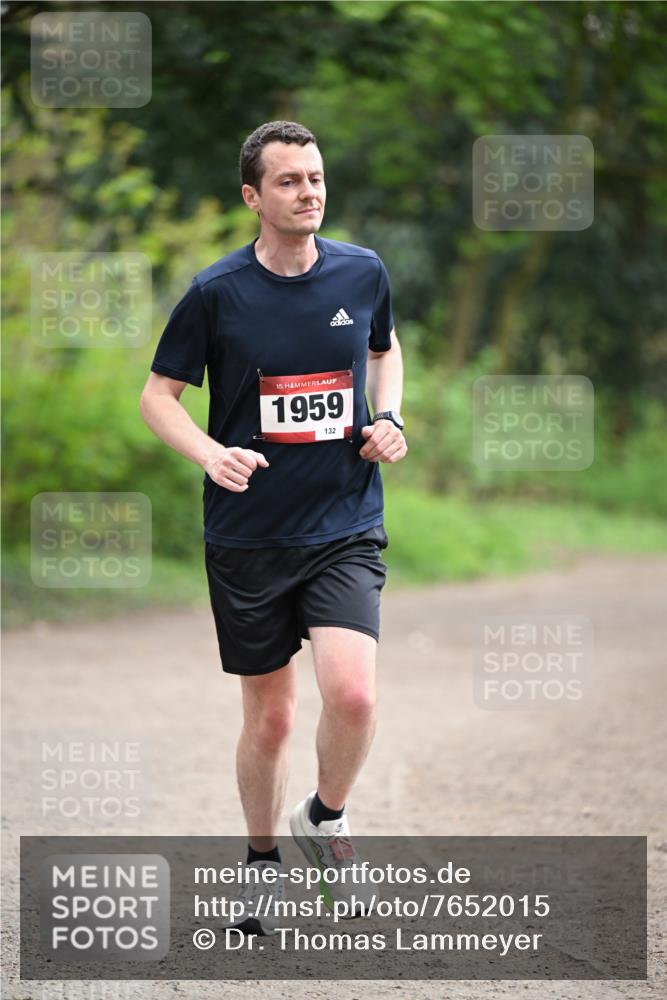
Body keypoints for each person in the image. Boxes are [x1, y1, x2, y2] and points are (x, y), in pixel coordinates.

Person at [140, 120, 406, 934]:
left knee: (353, 694)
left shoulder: (361, 272)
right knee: (273, 717)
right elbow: (157, 398)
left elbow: (385, 350)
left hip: (343, 518)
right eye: (288, 181)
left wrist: (388, 415)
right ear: (253, 196)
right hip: (250, 534)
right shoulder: (216, 292)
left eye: (316, 177)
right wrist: (208, 454)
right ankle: (259, 864)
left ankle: (325, 818)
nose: (309, 192)